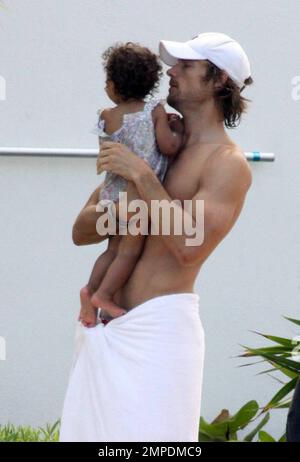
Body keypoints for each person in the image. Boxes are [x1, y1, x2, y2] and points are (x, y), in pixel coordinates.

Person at [60, 32, 253, 442]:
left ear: (219, 81)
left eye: (186, 66)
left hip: (160, 335)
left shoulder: (228, 163)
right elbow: (81, 231)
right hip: (105, 327)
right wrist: (125, 207)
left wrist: (142, 177)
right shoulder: (149, 142)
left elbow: (189, 246)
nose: (172, 71)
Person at [78, 42, 183, 328]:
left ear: (112, 84)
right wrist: (176, 128)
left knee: (112, 249)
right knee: (129, 251)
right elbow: (169, 146)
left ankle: (89, 292)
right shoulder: (155, 111)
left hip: (113, 192)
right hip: (139, 195)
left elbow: (108, 150)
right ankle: (104, 296)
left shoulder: (106, 116)